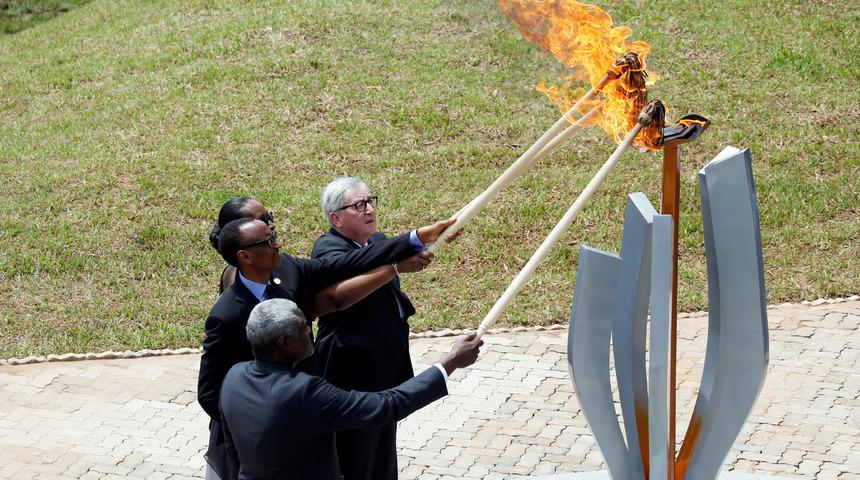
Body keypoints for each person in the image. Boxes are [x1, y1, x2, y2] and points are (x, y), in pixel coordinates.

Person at [199, 215, 456, 480]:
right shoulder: (226, 315)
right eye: (268, 241)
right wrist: (260, 429)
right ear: (245, 257)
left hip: (312, 417)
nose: (277, 245)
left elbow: (346, 262)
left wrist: (417, 237)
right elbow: (209, 393)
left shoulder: (286, 269)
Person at [219, 298, 483, 480]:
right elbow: (387, 405)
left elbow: (233, 451)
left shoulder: (234, 377)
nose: (310, 332)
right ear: (284, 343)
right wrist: (449, 363)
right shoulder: (304, 392)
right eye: (303, 328)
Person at [312, 176, 434, 479]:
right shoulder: (328, 250)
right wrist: (394, 264)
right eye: (359, 205)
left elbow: (384, 255)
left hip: (383, 366)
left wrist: (418, 248)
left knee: (382, 449)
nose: (369, 209)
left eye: (370, 201)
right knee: (356, 451)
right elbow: (358, 269)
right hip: (351, 371)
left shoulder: (377, 241)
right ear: (335, 218)